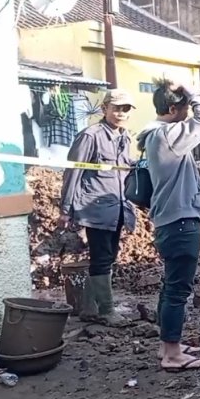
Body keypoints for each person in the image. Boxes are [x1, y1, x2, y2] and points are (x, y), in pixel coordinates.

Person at [137, 79, 200, 372]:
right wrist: (195, 92)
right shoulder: (169, 135)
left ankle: (167, 345)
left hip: (170, 222)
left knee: (171, 286)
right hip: (180, 222)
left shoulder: (156, 136)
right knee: (177, 290)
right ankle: (172, 354)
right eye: (184, 108)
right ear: (172, 108)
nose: (188, 113)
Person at [59, 89, 137, 327]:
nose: (121, 113)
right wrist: (65, 209)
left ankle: (90, 308)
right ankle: (106, 311)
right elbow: (73, 171)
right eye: (117, 108)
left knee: (108, 257)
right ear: (104, 109)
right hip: (96, 209)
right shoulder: (90, 136)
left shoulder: (125, 137)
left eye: (125, 109)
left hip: (118, 208)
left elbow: (124, 171)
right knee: (102, 258)